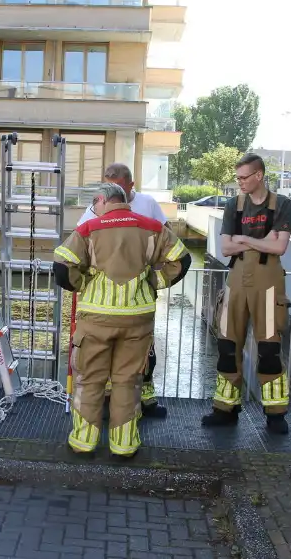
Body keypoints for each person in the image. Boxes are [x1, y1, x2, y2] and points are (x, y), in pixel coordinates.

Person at [53, 183, 191, 458]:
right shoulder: (151, 227)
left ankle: (84, 442)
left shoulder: (89, 229)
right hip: (137, 320)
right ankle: (124, 445)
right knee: (127, 381)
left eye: (95, 205)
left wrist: (83, 284)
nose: (95, 209)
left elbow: (61, 265)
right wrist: (154, 281)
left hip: (96, 319)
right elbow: (182, 260)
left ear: (102, 200)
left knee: (90, 381)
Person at [205, 153, 291, 434]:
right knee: (227, 346)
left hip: (268, 283)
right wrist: (258, 241)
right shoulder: (234, 204)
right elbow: (226, 249)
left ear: (259, 176)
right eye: (238, 177)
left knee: (269, 348)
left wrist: (242, 239)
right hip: (236, 280)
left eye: (244, 177)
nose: (239, 182)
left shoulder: (281, 204)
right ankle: (225, 408)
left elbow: (280, 248)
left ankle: (275, 413)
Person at [76, 163, 170, 417]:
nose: (111, 192)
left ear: (131, 184)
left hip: (137, 301)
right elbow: (79, 242)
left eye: (117, 185)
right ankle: (110, 403)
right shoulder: (97, 206)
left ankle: (146, 399)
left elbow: (168, 241)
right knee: (103, 358)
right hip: (104, 303)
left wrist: (154, 280)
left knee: (144, 353)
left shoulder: (148, 204)